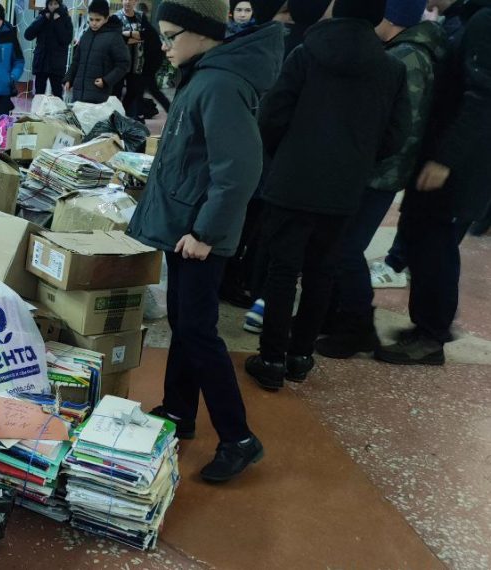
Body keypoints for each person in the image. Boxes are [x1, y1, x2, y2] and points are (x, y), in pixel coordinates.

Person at [126, 0, 282, 482]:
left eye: (172, 35)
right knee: (184, 322)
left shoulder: (220, 83)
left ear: (202, 32)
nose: (165, 46)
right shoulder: (205, 73)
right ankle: (178, 411)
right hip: (186, 229)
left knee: (198, 331)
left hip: (199, 236)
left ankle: (238, 438)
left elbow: (237, 172)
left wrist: (205, 233)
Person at [244, 0, 410, 390]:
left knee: (283, 271)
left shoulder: (306, 53)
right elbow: (396, 136)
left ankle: (270, 360)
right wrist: (359, 160)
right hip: (345, 188)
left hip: (292, 181)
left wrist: (286, 153)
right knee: (322, 272)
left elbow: (271, 115)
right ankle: (301, 357)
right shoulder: (392, 68)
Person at [316, 0, 447, 360]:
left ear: (389, 18)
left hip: (378, 173)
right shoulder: (404, 51)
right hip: (378, 170)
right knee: (340, 246)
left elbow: (401, 128)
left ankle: (357, 327)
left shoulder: (407, 58)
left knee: (345, 248)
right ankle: (337, 317)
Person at [375, 0, 491, 365]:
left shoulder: (484, 21)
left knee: (435, 245)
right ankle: (426, 325)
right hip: (446, 155)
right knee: (422, 238)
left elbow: (481, 99)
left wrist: (445, 159)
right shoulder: (468, 18)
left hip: (459, 165)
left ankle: (431, 335)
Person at [64, 0, 130, 104]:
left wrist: (106, 80)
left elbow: (123, 64)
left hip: (99, 95)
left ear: (106, 18)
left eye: (98, 20)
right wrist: (69, 78)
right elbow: (76, 61)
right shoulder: (86, 36)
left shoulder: (114, 37)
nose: (94, 23)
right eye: (91, 19)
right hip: (78, 94)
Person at [25, 0, 74, 97]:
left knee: (57, 94)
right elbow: (28, 35)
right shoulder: (42, 16)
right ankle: (38, 112)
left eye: (56, 4)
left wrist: (58, 22)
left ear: (60, 4)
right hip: (41, 63)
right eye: (50, 4)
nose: (53, 7)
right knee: (39, 94)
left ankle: (58, 112)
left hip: (57, 64)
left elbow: (66, 40)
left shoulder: (65, 19)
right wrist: (43, 19)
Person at [115, 0, 152, 119]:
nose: (127, 2)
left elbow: (146, 35)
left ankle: (126, 117)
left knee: (133, 93)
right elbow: (115, 38)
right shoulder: (116, 17)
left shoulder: (141, 17)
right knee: (115, 93)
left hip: (137, 63)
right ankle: (114, 117)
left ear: (135, 1)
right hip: (120, 63)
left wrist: (125, 34)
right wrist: (134, 35)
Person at [139, 2, 173, 114]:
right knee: (145, 90)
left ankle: (170, 110)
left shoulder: (143, 27)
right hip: (151, 63)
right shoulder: (148, 27)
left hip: (148, 64)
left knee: (151, 90)